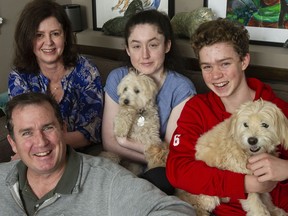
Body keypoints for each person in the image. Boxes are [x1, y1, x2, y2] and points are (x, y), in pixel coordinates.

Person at [0, 92, 196, 215]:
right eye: (27, 133)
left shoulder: (107, 182)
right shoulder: (3, 177)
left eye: (48, 128)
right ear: (13, 143)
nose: (41, 142)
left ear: (63, 129)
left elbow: (178, 210)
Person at [166, 18, 288, 215]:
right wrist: (244, 183)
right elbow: (177, 170)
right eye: (207, 67)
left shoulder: (278, 111)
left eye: (224, 64)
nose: (215, 75)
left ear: (244, 61)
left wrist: (286, 169)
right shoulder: (197, 108)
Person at [102, 9, 196, 194]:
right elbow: (109, 142)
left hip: (158, 172)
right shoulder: (118, 78)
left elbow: (168, 155)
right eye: (136, 46)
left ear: (167, 46)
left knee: (161, 178)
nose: (144, 55)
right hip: (122, 165)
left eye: (153, 45)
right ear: (127, 49)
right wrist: (150, 152)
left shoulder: (181, 88)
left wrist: (125, 142)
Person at [8, 0, 103, 155]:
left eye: (55, 33)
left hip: (81, 154)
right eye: (39, 35)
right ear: (27, 39)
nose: (49, 42)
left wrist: (46, 144)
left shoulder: (87, 71)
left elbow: (91, 132)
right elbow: (22, 131)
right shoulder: (19, 78)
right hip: (37, 154)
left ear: (65, 36)